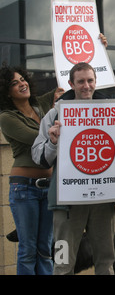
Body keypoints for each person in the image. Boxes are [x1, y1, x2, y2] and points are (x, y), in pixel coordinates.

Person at [31, 62, 115, 275]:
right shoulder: (54, 115)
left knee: (106, 261)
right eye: (80, 81)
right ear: (71, 84)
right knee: (62, 262)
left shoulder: (113, 113)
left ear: (96, 82)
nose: (86, 86)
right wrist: (52, 143)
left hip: (103, 201)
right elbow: (38, 157)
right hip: (66, 204)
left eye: (90, 80)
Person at [0, 66, 64, 275]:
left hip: (49, 188)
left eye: (22, 79)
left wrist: (97, 47)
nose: (22, 84)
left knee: (45, 249)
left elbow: (70, 79)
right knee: (28, 250)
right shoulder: (7, 117)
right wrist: (55, 123)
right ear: (6, 91)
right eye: (14, 83)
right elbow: (37, 137)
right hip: (24, 189)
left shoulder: (41, 104)